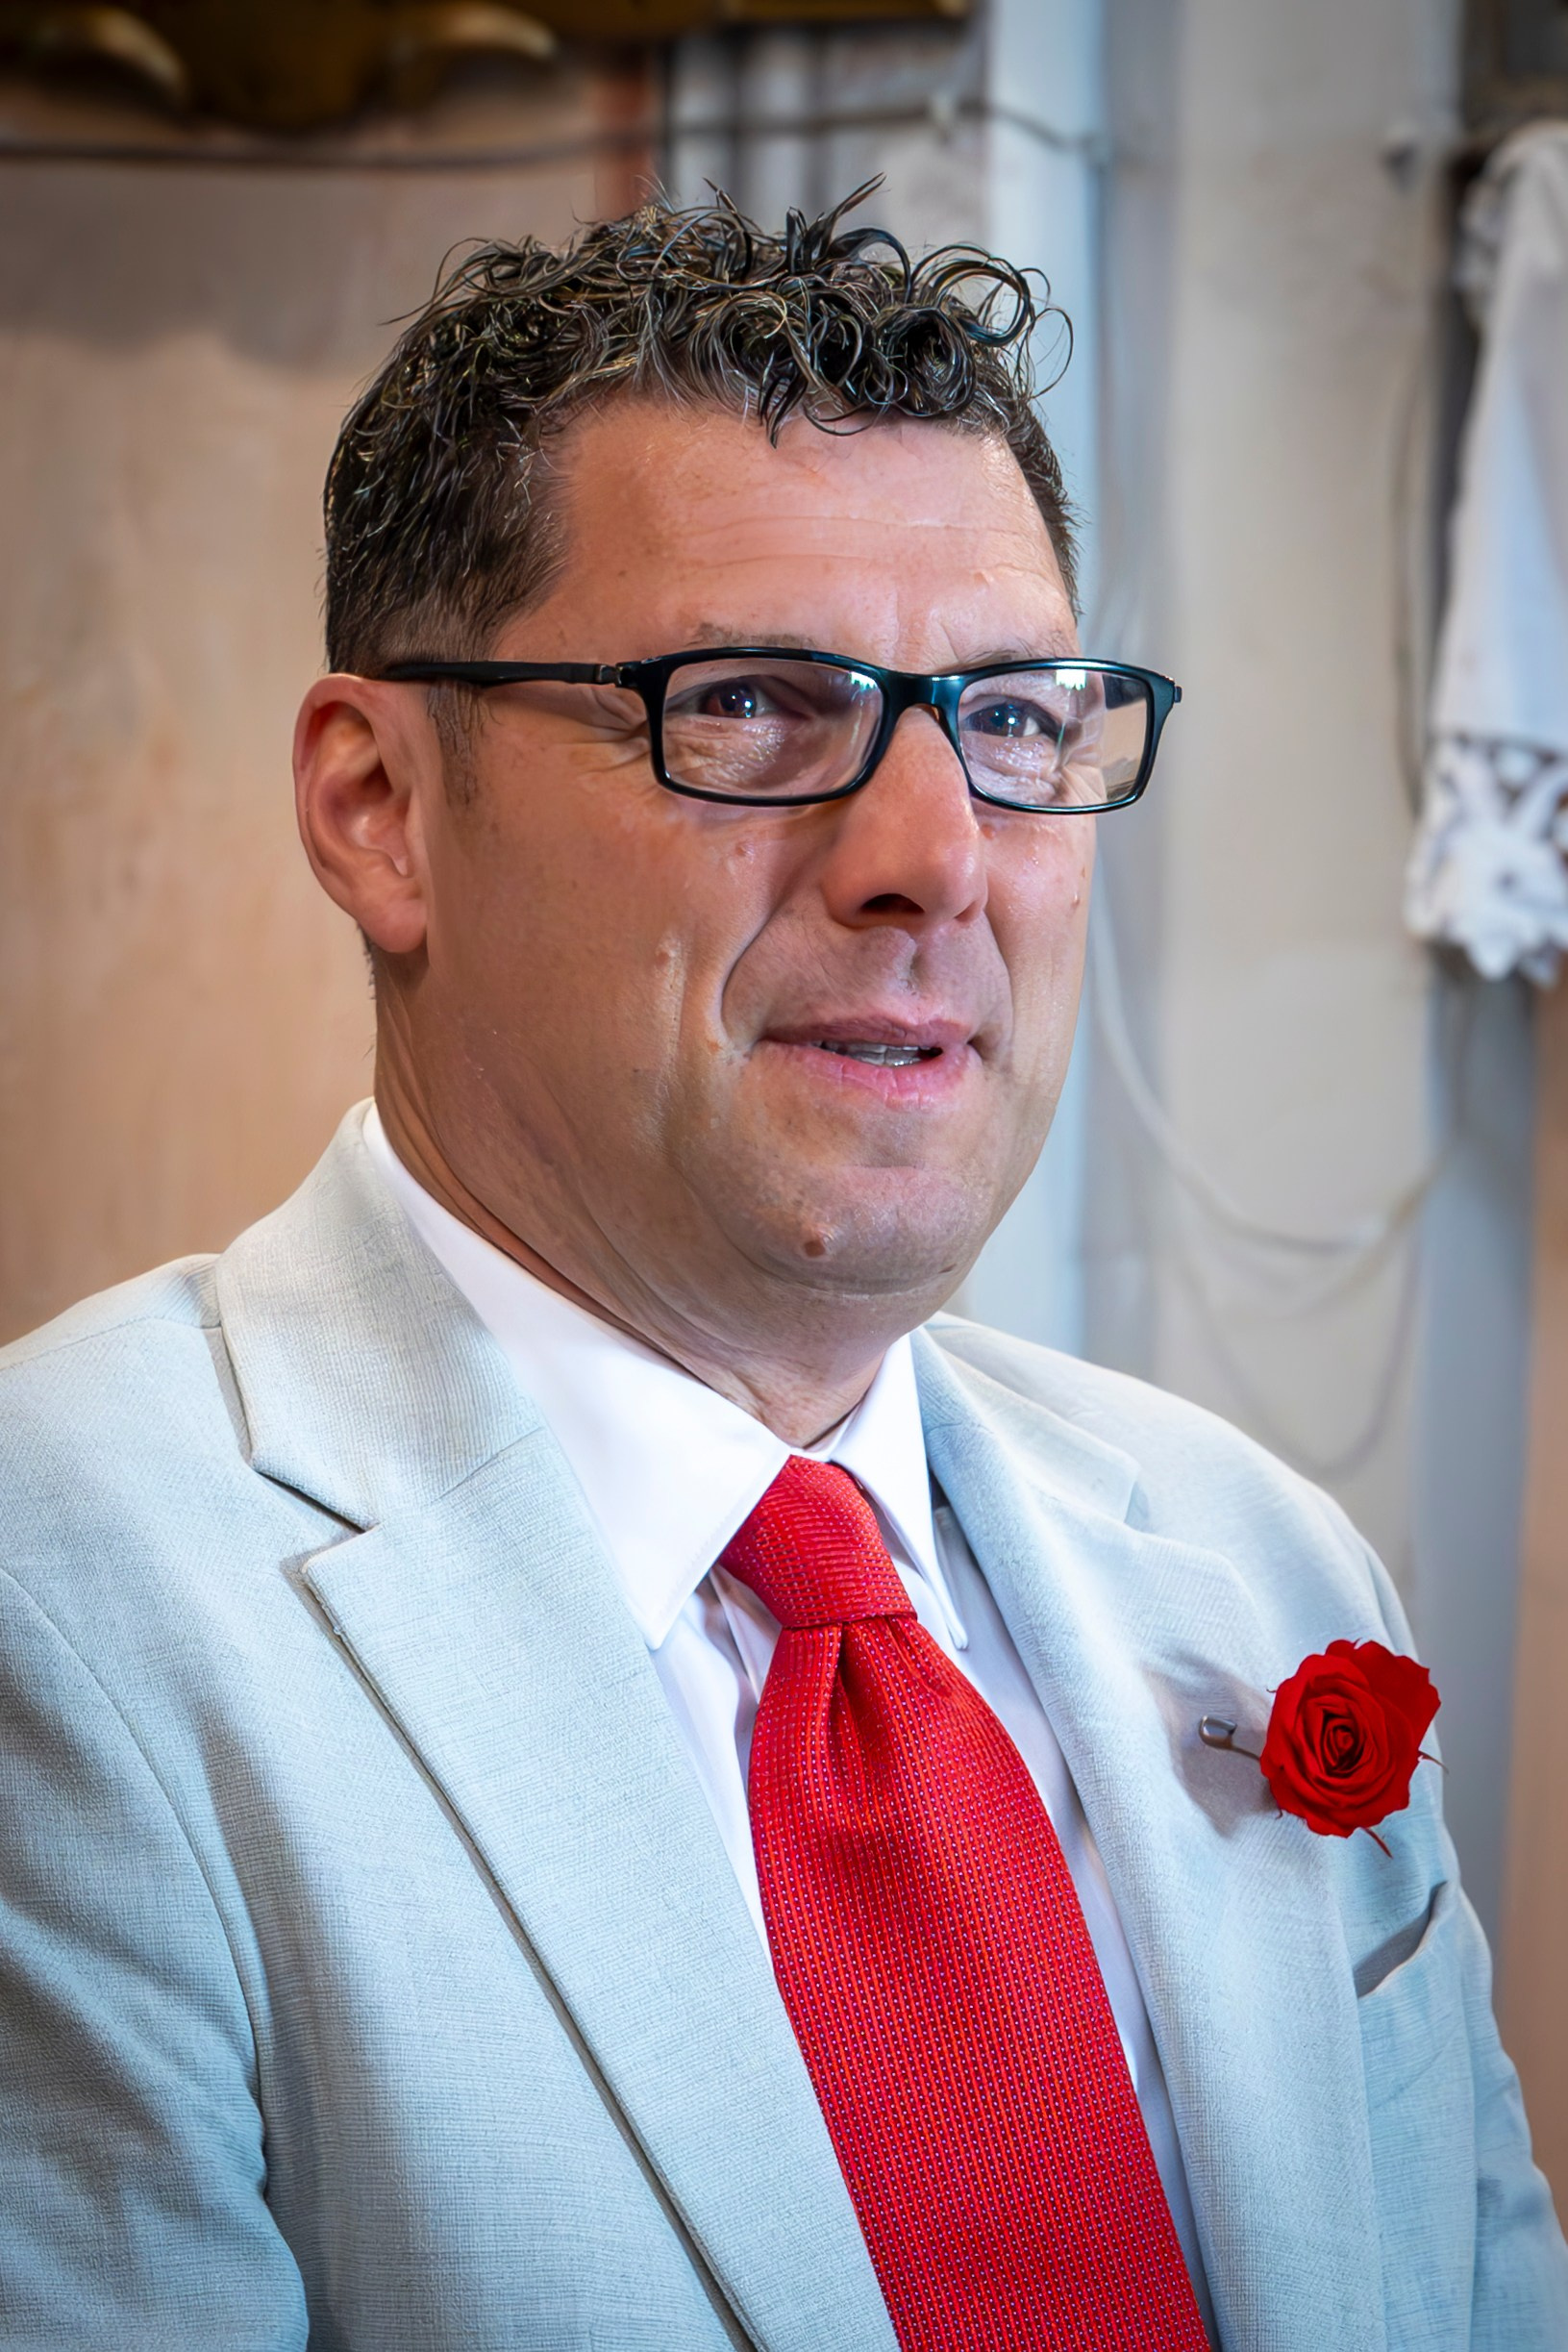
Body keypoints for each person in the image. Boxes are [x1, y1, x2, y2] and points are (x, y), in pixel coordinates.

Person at [0, 188, 1560, 2352]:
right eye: (745, 703)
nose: (934, 858)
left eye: (1014, 719)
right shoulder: (67, 1599)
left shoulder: (1261, 1554)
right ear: (378, 806)